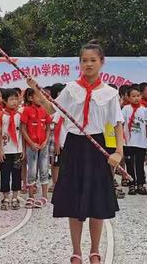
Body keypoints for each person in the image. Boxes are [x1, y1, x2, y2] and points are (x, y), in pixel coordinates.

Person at [27, 41, 124, 264]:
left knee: (97, 202)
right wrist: (36, 90)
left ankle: (94, 250)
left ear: (102, 62)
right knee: (74, 200)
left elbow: (117, 123)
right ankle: (76, 251)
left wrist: (118, 152)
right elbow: (53, 109)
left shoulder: (110, 93)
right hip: (74, 147)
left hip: (97, 146)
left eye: (93, 60)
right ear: (79, 63)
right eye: (84, 60)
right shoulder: (71, 88)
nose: (88, 64)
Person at [21, 88, 52, 209]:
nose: (41, 99)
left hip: (43, 146)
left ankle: (44, 196)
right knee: (32, 171)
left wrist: (45, 141)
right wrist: (30, 143)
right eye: (38, 96)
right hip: (31, 146)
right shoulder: (26, 110)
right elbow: (23, 129)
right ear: (30, 98)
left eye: (42, 96)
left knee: (44, 169)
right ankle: (31, 196)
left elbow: (48, 128)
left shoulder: (45, 110)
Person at [0, 88, 23, 211]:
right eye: (11, 99)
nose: (14, 102)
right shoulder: (1, 115)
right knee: (5, 174)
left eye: (16, 99)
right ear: (5, 101)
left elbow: (22, 133)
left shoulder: (19, 115)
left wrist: (23, 150)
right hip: (5, 150)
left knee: (17, 174)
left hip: (17, 150)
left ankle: (15, 197)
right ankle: (6, 197)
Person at [122, 85, 147, 195]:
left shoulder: (144, 110)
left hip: (141, 142)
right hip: (128, 142)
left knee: (139, 164)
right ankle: (131, 184)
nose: (136, 98)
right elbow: (121, 123)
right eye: (133, 96)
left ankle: (140, 184)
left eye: (138, 96)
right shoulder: (125, 109)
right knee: (129, 164)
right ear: (128, 97)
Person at [48, 83, 66, 192]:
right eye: (61, 92)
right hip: (58, 141)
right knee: (56, 163)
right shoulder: (54, 107)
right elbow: (55, 127)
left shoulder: (67, 106)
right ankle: (55, 184)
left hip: (68, 141)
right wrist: (57, 143)